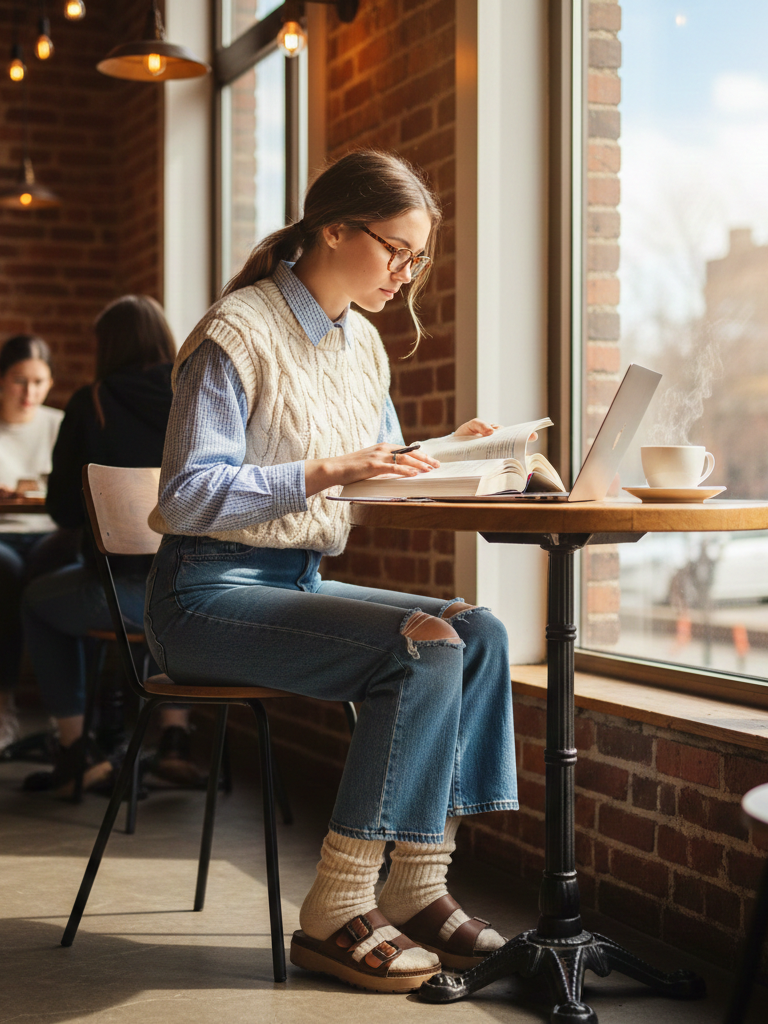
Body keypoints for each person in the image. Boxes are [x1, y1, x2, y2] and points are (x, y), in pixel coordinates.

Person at [143, 150, 518, 993]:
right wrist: (325, 470)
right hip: (207, 592)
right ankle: (338, 907)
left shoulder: (366, 344)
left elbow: (377, 466)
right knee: (423, 649)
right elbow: (188, 494)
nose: (408, 272)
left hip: (296, 581)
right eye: (396, 249)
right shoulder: (236, 330)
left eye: (420, 258)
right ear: (334, 228)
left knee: (476, 630)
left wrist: (461, 454)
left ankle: (419, 885)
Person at [21, 296, 200, 796]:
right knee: (168, 590)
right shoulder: (196, 394)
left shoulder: (91, 401)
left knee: (38, 599)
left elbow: (62, 509)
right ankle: (175, 741)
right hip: (204, 593)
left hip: (123, 597)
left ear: (107, 347)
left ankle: (77, 751)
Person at [0, 335, 77, 753]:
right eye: (18, 381)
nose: (29, 393)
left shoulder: (58, 423)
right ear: (2, 380)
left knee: (60, 571)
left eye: (38, 382)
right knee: (6, 572)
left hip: (50, 536)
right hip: (4, 537)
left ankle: (65, 716)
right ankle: (4, 708)